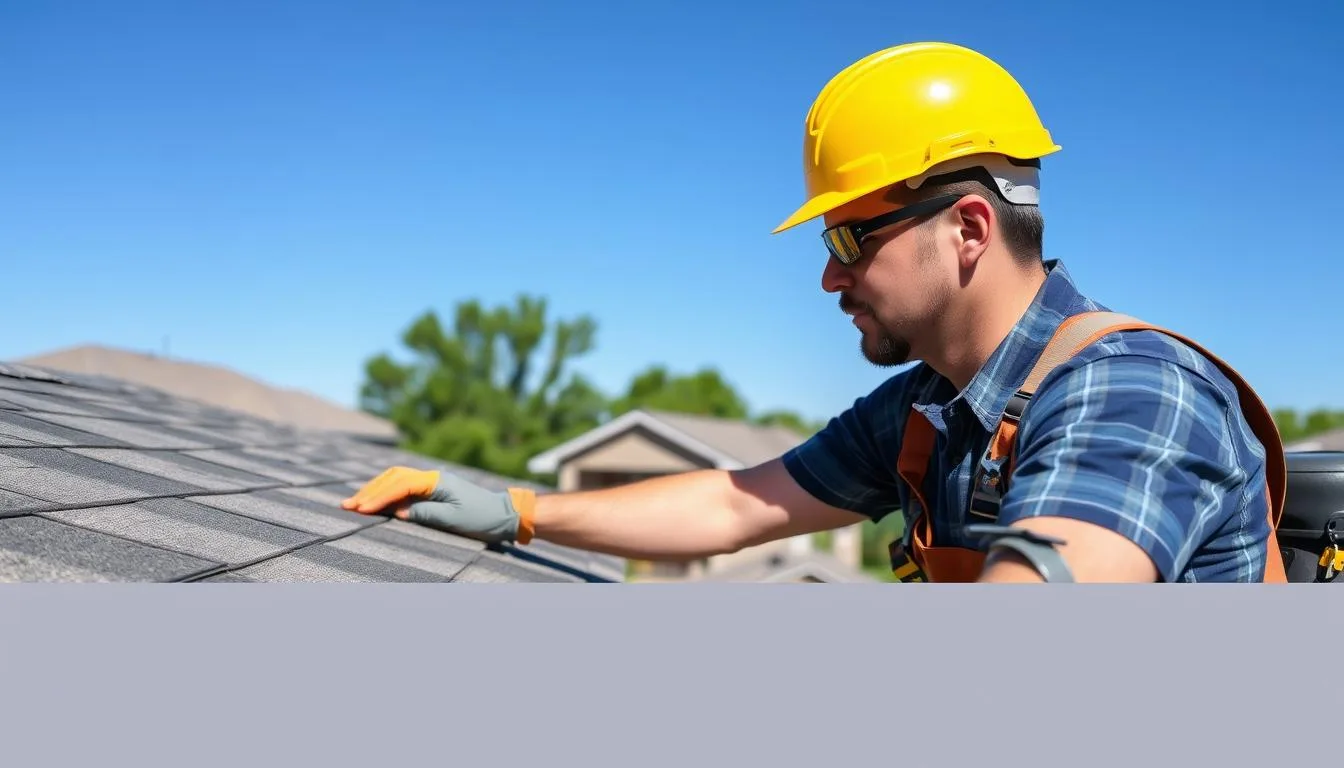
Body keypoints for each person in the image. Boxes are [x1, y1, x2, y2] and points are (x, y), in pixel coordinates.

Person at [341, 41, 1287, 583]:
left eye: (850, 239)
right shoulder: (930, 409)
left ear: (966, 227)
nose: (830, 280)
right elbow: (732, 502)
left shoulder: (1135, 394)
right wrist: (517, 510)